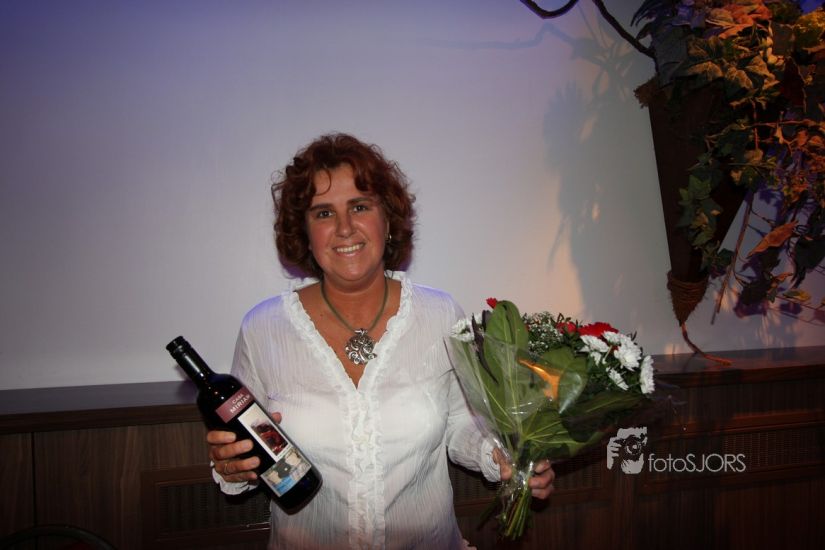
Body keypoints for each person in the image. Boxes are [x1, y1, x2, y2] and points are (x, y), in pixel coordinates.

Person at [206, 133, 555, 549]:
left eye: (360, 206)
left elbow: (462, 423)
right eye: (323, 213)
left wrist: (500, 456)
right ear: (305, 231)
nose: (344, 228)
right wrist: (233, 466)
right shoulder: (262, 328)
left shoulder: (440, 314)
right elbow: (247, 445)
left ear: (387, 220)